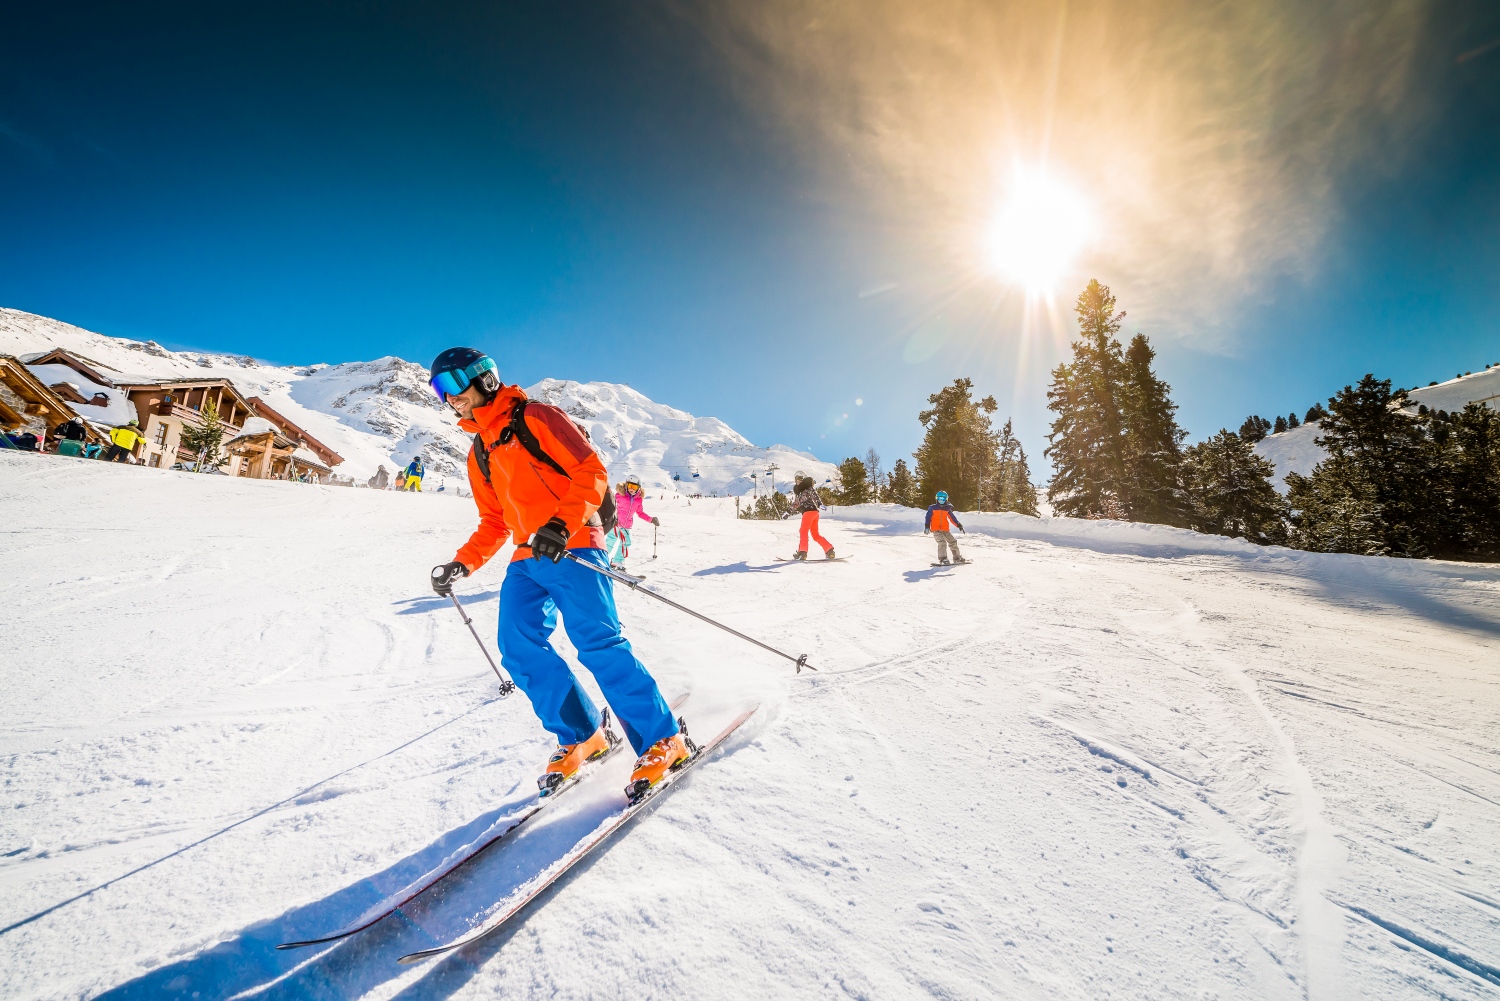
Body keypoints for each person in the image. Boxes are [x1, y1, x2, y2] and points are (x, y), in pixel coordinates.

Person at [425, 347, 687, 801]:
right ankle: (583, 734)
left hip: (575, 544)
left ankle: (663, 738)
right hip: (526, 558)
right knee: (518, 648)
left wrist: (561, 525)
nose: (448, 398)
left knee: (598, 643)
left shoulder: (537, 416)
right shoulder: (479, 450)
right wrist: (462, 562)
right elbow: (494, 521)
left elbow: (591, 470)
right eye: (438, 390)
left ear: (484, 379)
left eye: (451, 385)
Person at [606, 475, 658, 569]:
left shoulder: (638, 500)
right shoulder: (619, 495)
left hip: (626, 527)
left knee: (625, 543)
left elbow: (640, 513)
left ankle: (617, 561)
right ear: (626, 485)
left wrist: (651, 519)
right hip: (616, 524)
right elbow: (611, 505)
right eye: (630, 486)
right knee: (610, 541)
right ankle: (601, 557)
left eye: (634, 487)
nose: (631, 489)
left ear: (639, 488)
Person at [790, 475, 835, 561]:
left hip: (808, 512)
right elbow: (796, 503)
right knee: (815, 534)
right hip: (814, 513)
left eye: (799, 480)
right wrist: (787, 512)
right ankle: (829, 550)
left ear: (802, 480)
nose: (798, 481)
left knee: (803, 531)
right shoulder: (800, 493)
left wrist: (819, 504)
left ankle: (802, 552)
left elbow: (814, 495)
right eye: (797, 480)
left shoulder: (807, 487)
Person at [924, 490, 966, 564]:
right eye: (939, 499)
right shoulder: (932, 508)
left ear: (946, 499)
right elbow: (928, 517)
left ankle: (957, 558)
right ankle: (943, 559)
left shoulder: (947, 509)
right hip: (936, 529)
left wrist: (958, 525)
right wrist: (927, 526)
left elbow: (952, 518)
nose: (941, 500)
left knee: (953, 541)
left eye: (943, 499)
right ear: (937, 499)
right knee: (942, 543)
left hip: (945, 529)